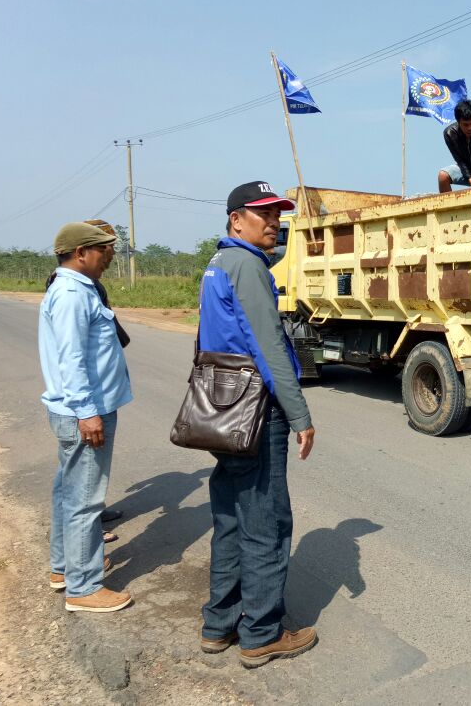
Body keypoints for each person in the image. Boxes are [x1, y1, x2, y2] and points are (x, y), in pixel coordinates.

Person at [198, 180, 317, 668]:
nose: (275, 222)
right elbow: (270, 349)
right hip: (255, 410)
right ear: (236, 220)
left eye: (278, 214)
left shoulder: (217, 263)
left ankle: (219, 625)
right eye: (264, 214)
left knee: (230, 516)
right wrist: (300, 414)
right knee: (266, 521)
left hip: (222, 405)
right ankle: (262, 633)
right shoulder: (247, 266)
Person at [39, 222, 133, 613]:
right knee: (84, 501)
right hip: (85, 412)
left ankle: (65, 569)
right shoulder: (72, 294)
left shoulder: (76, 290)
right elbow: (72, 359)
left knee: (69, 492)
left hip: (78, 410)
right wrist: (89, 413)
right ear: (80, 252)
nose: (109, 256)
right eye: (104, 250)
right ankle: (83, 586)